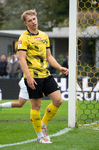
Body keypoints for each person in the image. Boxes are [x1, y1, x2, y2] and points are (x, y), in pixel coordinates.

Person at [18, 9, 68, 143]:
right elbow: (22, 59)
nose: (33, 22)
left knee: (58, 100)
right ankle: (40, 136)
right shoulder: (23, 38)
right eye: (30, 20)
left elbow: (49, 56)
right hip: (33, 76)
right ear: (25, 23)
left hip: (46, 74)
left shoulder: (44, 36)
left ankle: (44, 126)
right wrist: (28, 77)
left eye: (34, 19)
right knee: (36, 107)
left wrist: (60, 68)